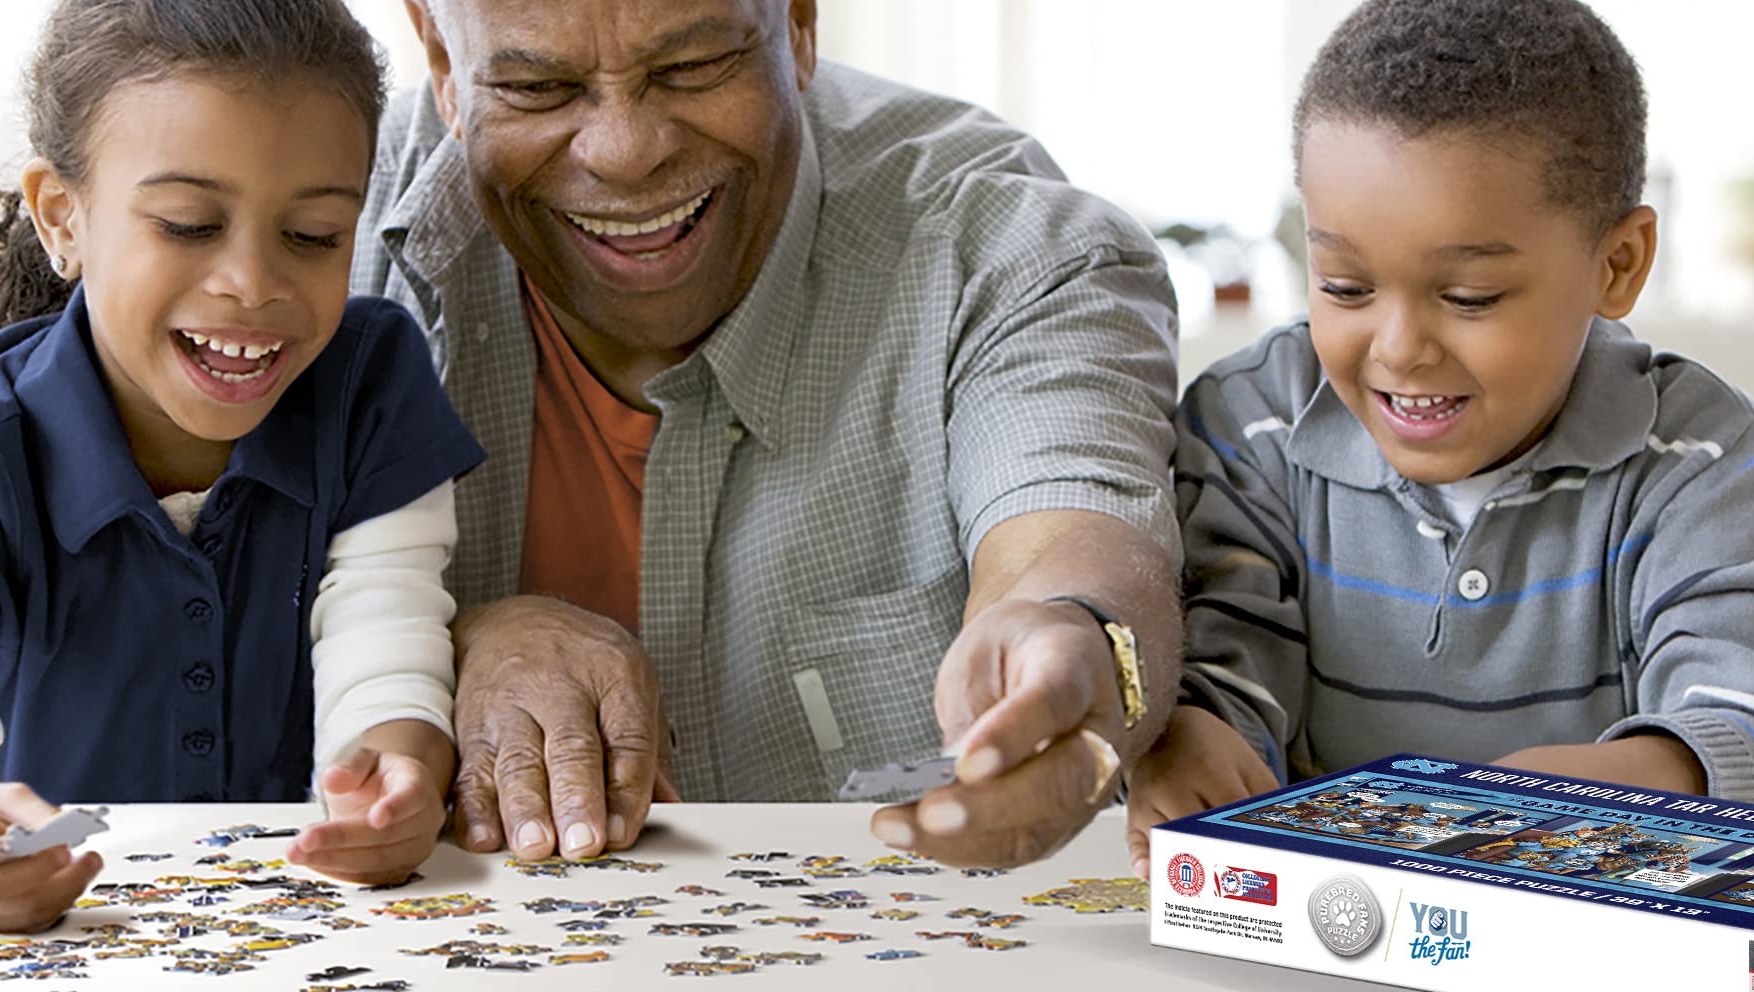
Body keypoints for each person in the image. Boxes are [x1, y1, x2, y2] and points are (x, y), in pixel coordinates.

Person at [357, 0, 1183, 869]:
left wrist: (1077, 645)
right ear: (442, 61)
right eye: (536, 86)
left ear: (797, 23)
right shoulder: (297, 224)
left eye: (692, 67)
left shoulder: (1004, 244)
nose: (625, 151)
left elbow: (1070, 541)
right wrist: (437, 644)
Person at [0, 0, 484, 932]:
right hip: (66, 938)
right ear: (63, 217)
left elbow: (387, 647)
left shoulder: (372, 384)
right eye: (186, 223)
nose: (252, 282)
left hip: (314, 929)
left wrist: (396, 777)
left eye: (315, 235)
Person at [1128, 0, 1754, 872]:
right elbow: (1227, 647)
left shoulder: (1708, 464)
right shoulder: (1249, 425)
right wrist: (1188, 733)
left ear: (1617, 265)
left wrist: (1636, 778)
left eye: (1468, 298)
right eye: (1345, 286)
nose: (1398, 349)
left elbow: (1740, 712)